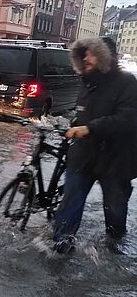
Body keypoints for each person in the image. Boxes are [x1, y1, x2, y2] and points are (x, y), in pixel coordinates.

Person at [53, 36, 137, 253]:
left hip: (115, 161)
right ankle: (60, 246)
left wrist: (90, 128)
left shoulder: (126, 83)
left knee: (115, 212)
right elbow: (81, 116)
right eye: (84, 54)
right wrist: (70, 126)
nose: (86, 58)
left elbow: (128, 118)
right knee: (70, 203)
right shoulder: (86, 82)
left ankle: (114, 246)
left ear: (105, 57)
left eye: (91, 53)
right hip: (83, 156)